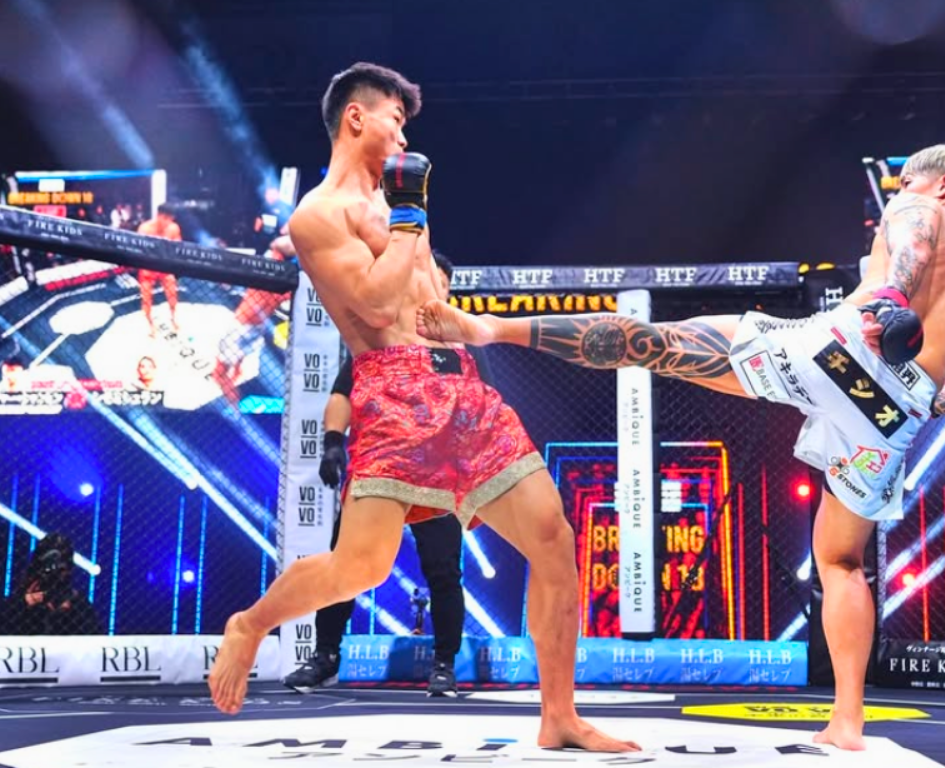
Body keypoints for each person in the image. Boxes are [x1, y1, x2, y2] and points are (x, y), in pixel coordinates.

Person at [417, 144, 945, 751]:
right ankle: (847, 722)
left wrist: (890, 301)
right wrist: (926, 399)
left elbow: (915, 241)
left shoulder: (923, 209)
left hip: (843, 350)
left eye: (906, 182)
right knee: (841, 563)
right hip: (892, 416)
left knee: (654, 344)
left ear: (944, 185)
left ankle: (493, 328)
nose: (898, 193)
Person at [207, 62, 637, 753]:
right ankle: (250, 624)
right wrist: (410, 215)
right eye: (395, 119)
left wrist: (451, 311)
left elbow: (424, 300)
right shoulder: (318, 215)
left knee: (553, 537)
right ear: (357, 117)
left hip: (460, 388)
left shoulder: (400, 204)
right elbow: (376, 306)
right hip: (392, 393)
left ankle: (559, 715)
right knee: (361, 568)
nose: (405, 136)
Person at [285, 251, 473, 697]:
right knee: (345, 564)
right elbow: (342, 392)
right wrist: (333, 442)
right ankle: (325, 656)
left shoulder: (460, 347)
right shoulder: (378, 338)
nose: (430, 289)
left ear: (447, 291)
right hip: (378, 467)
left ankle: (444, 663)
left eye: (439, 282)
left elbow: (479, 410)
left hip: (435, 474)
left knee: (443, 570)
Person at [212, 232, 295, 406]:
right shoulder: (287, 282)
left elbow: (277, 244)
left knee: (218, 373)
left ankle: (235, 409)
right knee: (238, 359)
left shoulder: (266, 265)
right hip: (258, 327)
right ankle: (236, 375)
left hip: (242, 324)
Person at [3, 533, 99, 635]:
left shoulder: (79, 604)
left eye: (61, 568)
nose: (54, 573)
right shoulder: (19, 599)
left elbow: (94, 635)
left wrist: (67, 611)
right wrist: (26, 602)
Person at [136, 204, 183, 337]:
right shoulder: (144, 228)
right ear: (159, 216)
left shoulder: (173, 228)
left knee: (172, 291)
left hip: (164, 266)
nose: (168, 222)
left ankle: (174, 318)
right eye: (166, 219)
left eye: (170, 219)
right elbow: (139, 251)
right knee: (146, 296)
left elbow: (178, 247)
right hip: (148, 267)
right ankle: (149, 324)